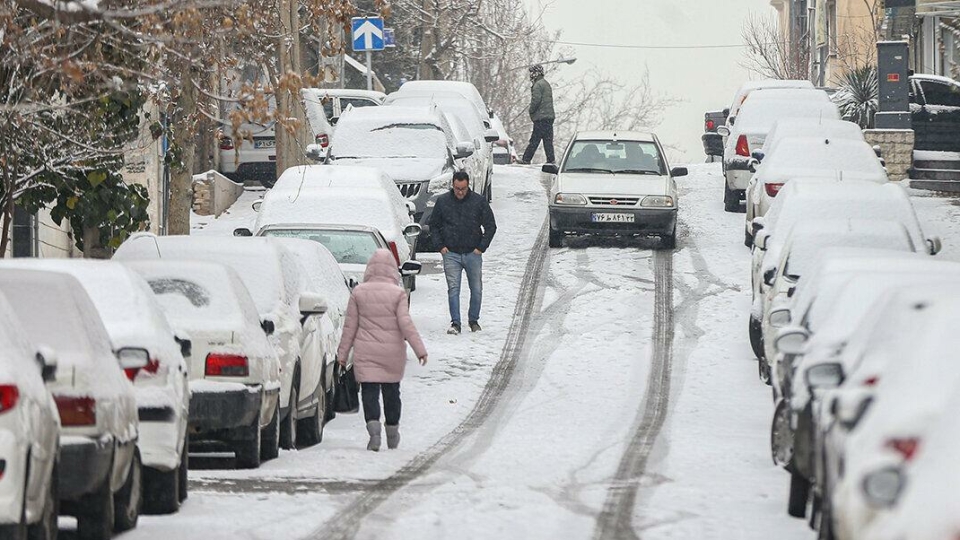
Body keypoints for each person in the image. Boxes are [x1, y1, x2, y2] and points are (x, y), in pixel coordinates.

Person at [337, 249, 428, 452]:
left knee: (369, 392)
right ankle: (392, 432)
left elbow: (349, 327)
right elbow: (406, 324)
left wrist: (342, 355)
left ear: (370, 269)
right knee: (391, 392)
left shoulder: (358, 293)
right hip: (392, 353)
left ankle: (374, 433)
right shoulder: (398, 294)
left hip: (365, 352)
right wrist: (420, 350)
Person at [429, 170, 497, 335]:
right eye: (457, 188)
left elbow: (490, 226)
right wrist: (440, 246)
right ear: (452, 185)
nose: (460, 192)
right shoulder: (443, 202)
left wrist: (481, 248)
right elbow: (434, 226)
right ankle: (456, 322)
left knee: (476, 288)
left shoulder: (478, 202)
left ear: (468, 186)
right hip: (451, 253)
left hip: (473, 252)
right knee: (453, 289)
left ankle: (473, 320)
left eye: (463, 189)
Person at [519, 64, 556, 165]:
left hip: (541, 117)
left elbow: (536, 100)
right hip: (549, 117)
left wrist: (531, 111)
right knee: (547, 140)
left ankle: (526, 159)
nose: (530, 75)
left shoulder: (537, 85)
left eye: (532, 73)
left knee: (535, 140)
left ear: (535, 73)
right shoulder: (546, 84)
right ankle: (551, 160)